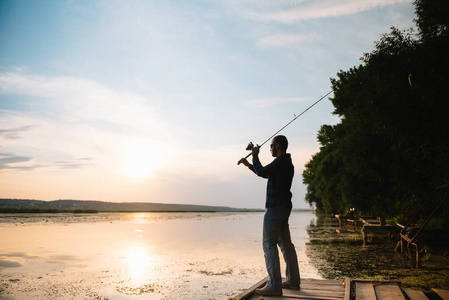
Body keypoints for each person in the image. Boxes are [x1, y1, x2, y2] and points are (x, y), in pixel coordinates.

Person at [238, 135, 301, 296]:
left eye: (271, 146)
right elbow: (265, 173)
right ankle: (293, 281)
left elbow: (263, 172)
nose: (270, 149)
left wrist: (255, 155)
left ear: (278, 146)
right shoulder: (286, 163)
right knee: (286, 243)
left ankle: (274, 286)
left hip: (275, 209)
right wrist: (249, 165)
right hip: (284, 208)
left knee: (269, 244)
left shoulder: (281, 162)